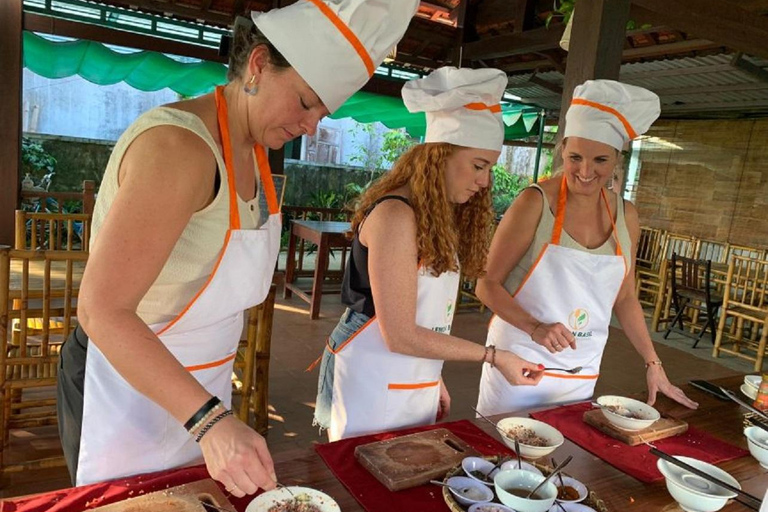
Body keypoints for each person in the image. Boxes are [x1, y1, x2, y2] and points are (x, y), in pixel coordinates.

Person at [56, 0, 419, 493]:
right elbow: (102, 309)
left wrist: (211, 415)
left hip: (199, 389)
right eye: (307, 101)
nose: (312, 125)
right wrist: (208, 421)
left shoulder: (252, 155)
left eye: (324, 113)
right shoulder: (180, 148)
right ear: (257, 66)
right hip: (123, 387)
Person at [313, 67, 545, 442]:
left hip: (412, 369)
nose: (485, 182)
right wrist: (494, 356)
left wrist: (432, 376)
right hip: (372, 367)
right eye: (479, 165)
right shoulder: (395, 215)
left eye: (489, 168)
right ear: (438, 156)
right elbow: (400, 334)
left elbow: (426, 315)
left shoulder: (433, 215)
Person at [475, 80, 699, 415]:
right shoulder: (535, 202)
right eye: (575, 157)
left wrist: (653, 363)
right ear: (562, 149)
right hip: (518, 367)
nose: (584, 171)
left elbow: (624, 297)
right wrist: (535, 327)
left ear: (617, 160)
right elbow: (486, 284)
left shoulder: (627, 216)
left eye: (600, 160)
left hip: (581, 372)